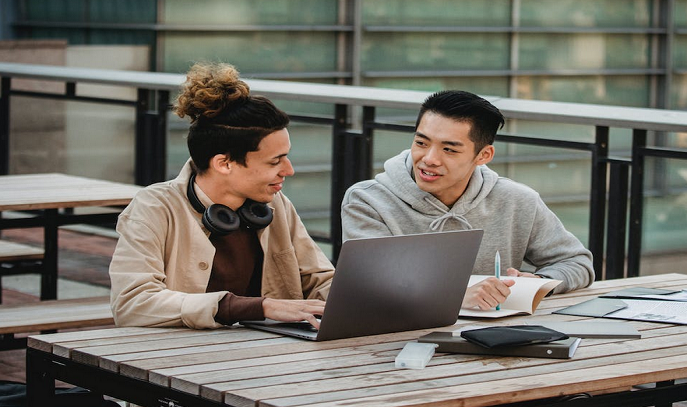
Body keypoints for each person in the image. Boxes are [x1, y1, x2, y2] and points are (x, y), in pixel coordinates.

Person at [110, 62, 334, 329]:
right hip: (180, 359)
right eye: (275, 162)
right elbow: (132, 304)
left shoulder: (276, 205)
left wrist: (368, 299)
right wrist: (257, 307)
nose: (290, 170)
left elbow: (321, 281)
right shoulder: (154, 207)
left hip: (269, 356)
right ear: (224, 163)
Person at [341, 90, 594, 310]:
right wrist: (458, 296)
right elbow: (371, 287)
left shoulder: (517, 200)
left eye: (449, 149)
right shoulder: (367, 201)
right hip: (397, 343)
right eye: (421, 142)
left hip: (495, 340)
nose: (429, 158)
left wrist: (537, 283)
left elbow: (577, 263)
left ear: (484, 155)